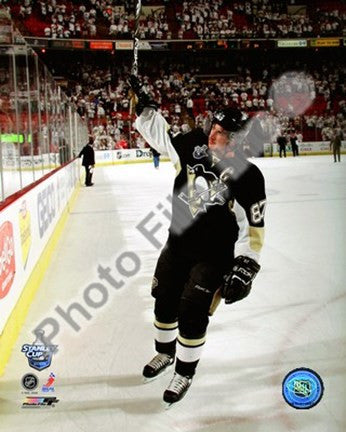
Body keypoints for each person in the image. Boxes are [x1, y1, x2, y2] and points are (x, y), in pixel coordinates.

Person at [129, 75, 266, 405]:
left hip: (213, 256)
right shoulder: (192, 147)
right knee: (163, 298)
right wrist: (144, 106)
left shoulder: (248, 176)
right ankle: (164, 354)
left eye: (224, 134)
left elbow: (253, 230)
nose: (215, 136)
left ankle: (185, 372)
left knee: (192, 310)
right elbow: (160, 135)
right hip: (176, 245)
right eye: (214, 129)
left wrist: (247, 264)